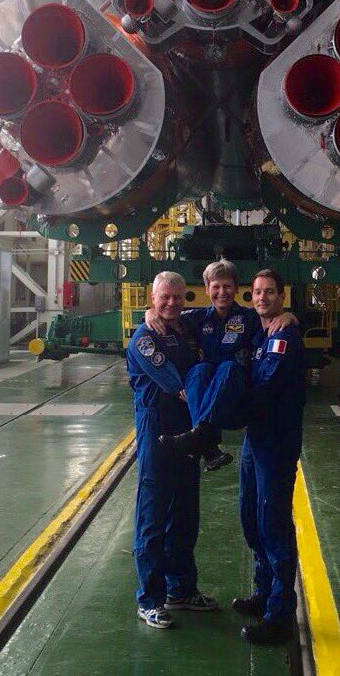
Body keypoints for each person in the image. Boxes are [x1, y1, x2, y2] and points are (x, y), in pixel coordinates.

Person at [126, 271, 219, 629]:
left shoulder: (186, 329)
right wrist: (203, 393)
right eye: (164, 297)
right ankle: (150, 598)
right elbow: (178, 385)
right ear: (152, 298)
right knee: (153, 516)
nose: (171, 303)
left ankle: (180, 590)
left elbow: (213, 317)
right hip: (157, 430)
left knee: (185, 512)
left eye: (178, 297)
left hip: (186, 429)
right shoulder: (144, 340)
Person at [146, 260, 296, 469]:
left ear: (235, 289)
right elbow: (170, 315)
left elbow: (272, 319)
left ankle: (202, 438)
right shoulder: (197, 318)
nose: (222, 292)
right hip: (208, 389)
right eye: (215, 286)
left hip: (235, 388)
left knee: (228, 367)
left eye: (227, 286)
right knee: (200, 370)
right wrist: (151, 312)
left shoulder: (250, 318)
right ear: (207, 289)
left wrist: (289, 316)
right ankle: (208, 447)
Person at [231, 269, 306, 646]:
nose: (262, 298)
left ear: (282, 295)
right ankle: (264, 591)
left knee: (273, 522)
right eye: (257, 292)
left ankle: (279, 614)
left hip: (275, 442)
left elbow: (264, 387)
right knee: (250, 515)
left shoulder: (284, 338)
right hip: (254, 440)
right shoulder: (260, 331)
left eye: (269, 292)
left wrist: (224, 414)